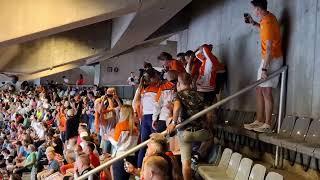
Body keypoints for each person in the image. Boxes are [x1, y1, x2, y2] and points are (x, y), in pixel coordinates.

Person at [244, 0, 283, 133]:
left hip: (271, 59)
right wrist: (254, 23)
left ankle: (267, 124)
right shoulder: (268, 17)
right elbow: (264, 28)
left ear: (259, 9)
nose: (254, 11)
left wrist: (265, 69)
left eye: (254, 9)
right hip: (267, 58)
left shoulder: (267, 23)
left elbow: (270, 49)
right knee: (259, 89)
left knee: (266, 91)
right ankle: (259, 120)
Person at [167, 72, 212, 180]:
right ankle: (198, 155)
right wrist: (208, 125)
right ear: (191, 81)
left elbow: (177, 108)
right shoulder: (201, 95)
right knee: (210, 137)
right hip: (200, 132)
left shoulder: (178, 95)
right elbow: (210, 114)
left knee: (185, 165)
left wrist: (173, 123)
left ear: (179, 83)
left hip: (185, 133)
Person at [136, 68, 160, 168]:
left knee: (143, 145)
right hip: (152, 117)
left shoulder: (142, 89)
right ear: (153, 78)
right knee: (156, 144)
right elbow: (158, 105)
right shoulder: (156, 89)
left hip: (144, 118)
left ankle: (139, 168)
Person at [108, 104, 138, 180]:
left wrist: (109, 137)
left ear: (123, 113)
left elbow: (116, 143)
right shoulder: (135, 128)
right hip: (131, 157)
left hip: (121, 157)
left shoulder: (120, 125)